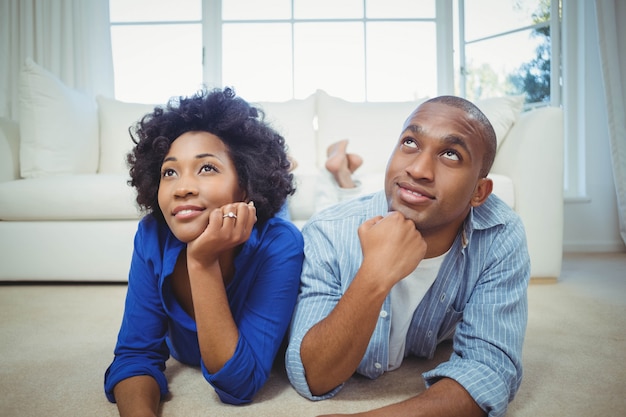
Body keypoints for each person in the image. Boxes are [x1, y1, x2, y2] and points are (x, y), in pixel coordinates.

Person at [286, 95, 530, 417]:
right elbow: (314, 376)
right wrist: (374, 275)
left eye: (450, 154)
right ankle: (339, 172)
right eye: (410, 143)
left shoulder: (500, 234)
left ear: (479, 192)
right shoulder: (328, 233)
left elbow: (488, 371)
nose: (418, 169)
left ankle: (341, 171)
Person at [104, 87, 304, 416]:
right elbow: (134, 357)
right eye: (170, 172)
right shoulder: (152, 235)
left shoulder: (282, 245)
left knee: (283, 215)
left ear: (244, 182)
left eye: (207, 168)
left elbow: (240, 386)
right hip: (221, 211)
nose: (182, 188)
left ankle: (295, 171)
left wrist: (201, 261)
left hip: (259, 222)